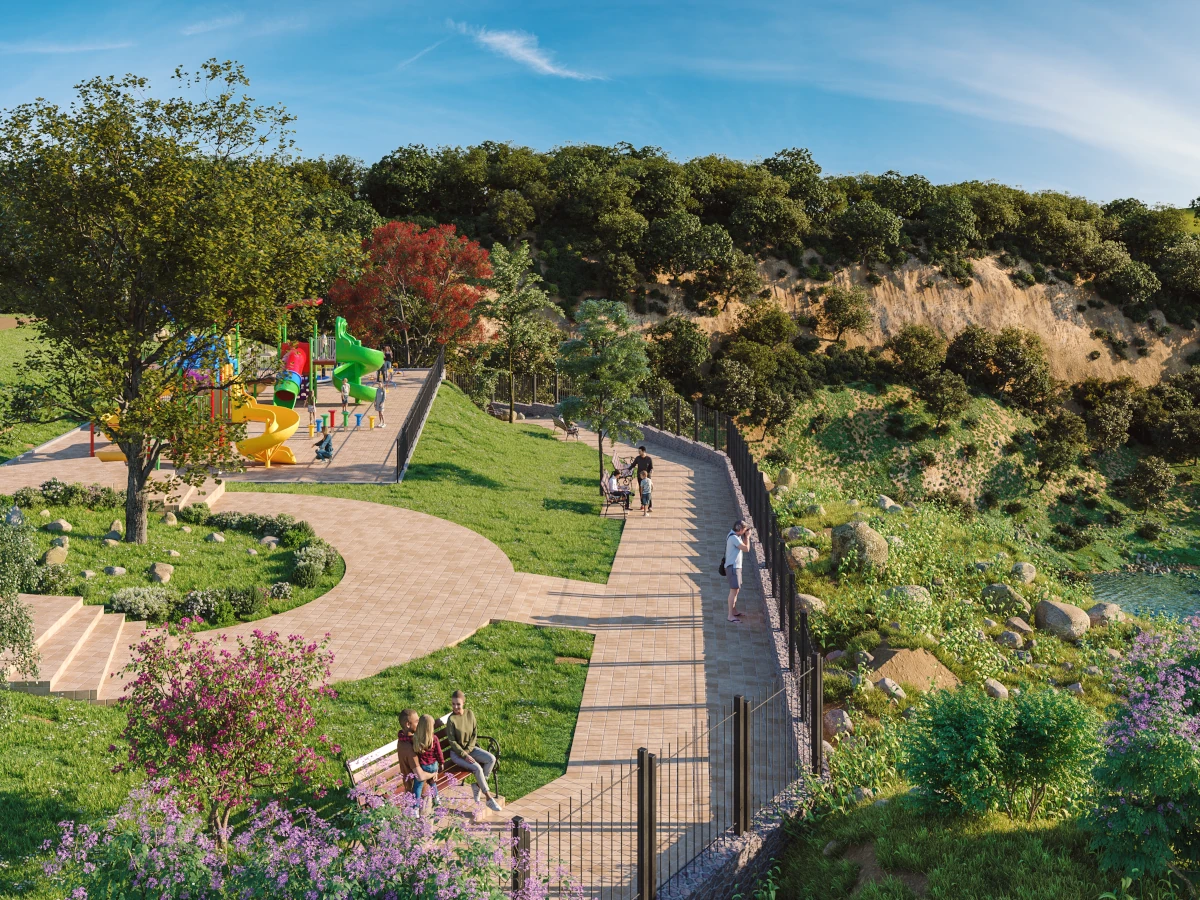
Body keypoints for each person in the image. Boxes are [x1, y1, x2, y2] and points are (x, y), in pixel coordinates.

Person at [444, 689, 501, 811]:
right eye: (453, 704)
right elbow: (452, 742)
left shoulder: (470, 714)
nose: (455, 706)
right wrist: (464, 754)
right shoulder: (451, 720)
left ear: (463, 703)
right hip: (457, 754)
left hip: (470, 750)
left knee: (491, 759)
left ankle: (478, 785)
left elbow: (474, 734)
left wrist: (469, 750)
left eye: (458, 704)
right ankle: (489, 799)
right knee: (477, 768)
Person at [396, 708, 436, 803]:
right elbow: (420, 776)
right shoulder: (410, 748)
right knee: (424, 816)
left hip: (410, 791)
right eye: (417, 722)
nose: (420, 724)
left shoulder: (402, 740)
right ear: (408, 724)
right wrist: (434, 773)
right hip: (420, 793)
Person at [412, 714, 444, 807]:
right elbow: (439, 752)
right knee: (432, 782)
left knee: (418, 786)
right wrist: (441, 763)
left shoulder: (416, 739)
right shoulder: (434, 738)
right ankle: (436, 798)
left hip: (423, 767)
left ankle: (415, 808)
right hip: (433, 766)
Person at [724, 520, 751, 623]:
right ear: (740, 529)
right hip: (733, 568)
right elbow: (746, 549)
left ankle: (734, 611)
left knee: (736, 590)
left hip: (735, 567)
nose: (745, 532)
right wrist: (747, 537)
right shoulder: (734, 538)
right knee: (733, 591)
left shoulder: (734, 535)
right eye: (744, 530)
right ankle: (730, 616)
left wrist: (744, 536)